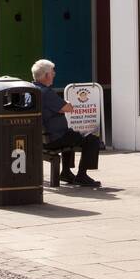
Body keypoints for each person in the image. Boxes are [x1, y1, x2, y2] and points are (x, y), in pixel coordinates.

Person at [32, 59, 100, 187]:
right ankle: (82, 175)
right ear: (46, 75)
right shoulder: (46, 93)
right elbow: (68, 108)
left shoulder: (32, 89)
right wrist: (67, 103)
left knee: (71, 134)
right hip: (53, 138)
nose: (54, 75)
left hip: (41, 138)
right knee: (92, 139)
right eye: (53, 73)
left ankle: (66, 172)